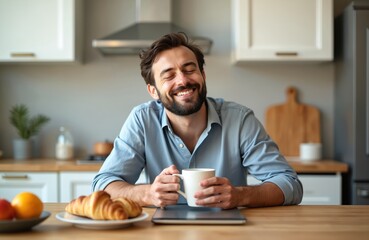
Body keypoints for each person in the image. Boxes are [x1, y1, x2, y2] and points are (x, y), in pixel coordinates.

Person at [92, 32, 303, 209]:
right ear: (153, 91)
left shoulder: (239, 119)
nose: (183, 80)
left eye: (189, 69)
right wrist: (146, 194)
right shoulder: (142, 120)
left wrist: (240, 196)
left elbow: (290, 184)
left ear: (202, 74)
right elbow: (103, 185)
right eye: (168, 75)